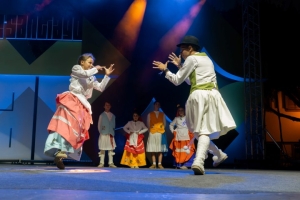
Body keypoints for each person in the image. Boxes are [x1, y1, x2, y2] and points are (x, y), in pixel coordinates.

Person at [152, 35, 236, 175]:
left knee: (202, 131)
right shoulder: (206, 59)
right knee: (198, 132)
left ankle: (199, 161)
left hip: (200, 96)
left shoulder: (192, 58)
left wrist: (165, 70)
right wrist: (180, 65)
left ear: (190, 48)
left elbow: (177, 80)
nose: (181, 54)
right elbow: (191, 80)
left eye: (182, 50)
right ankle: (219, 154)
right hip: (212, 95)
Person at [44, 53, 115, 170]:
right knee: (65, 124)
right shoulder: (76, 68)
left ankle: (62, 153)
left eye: (92, 63)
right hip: (72, 99)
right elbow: (84, 74)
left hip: (82, 104)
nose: (91, 65)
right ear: (82, 62)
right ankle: (59, 148)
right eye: (89, 62)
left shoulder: (92, 76)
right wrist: (96, 69)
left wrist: (107, 76)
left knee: (77, 128)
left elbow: (100, 87)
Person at [169, 105, 195, 169]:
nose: (180, 111)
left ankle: (187, 164)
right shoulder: (176, 118)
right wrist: (173, 131)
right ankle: (179, 164)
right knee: (179, 150)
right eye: (179, 110)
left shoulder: (187, 118)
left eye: (182, 110)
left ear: (184, 111)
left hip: (186, 134)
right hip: (179, 136)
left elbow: (192, 125)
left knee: (188, 149)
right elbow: (171, 125)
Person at [146, 101, 168, 169]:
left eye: (158, 104)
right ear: (154, 105)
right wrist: (151, 130)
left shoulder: (162, 114)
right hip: (153, 132)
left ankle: (160, 164)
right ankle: (154, 164)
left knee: (159, 149)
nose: (157, 105)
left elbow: (164, 123)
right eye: (156, 104)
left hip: (160, 133)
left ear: (159, 106)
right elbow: (148, 123)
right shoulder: (150, 114)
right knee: (153, 148)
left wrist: (161, 129)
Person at [97, 101, 117, 168]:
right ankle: (101, 163)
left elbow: (113, 125)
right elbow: (99, 125)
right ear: (104, 106)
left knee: (110, 149)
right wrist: (101, 132)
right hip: (103, 134)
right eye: (106, 105)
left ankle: (111, 163)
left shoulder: (113, 115)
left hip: (110, 134)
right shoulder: (101, 115)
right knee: (102, 149)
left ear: (110, 106)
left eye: (109, 105)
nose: (107, 106)